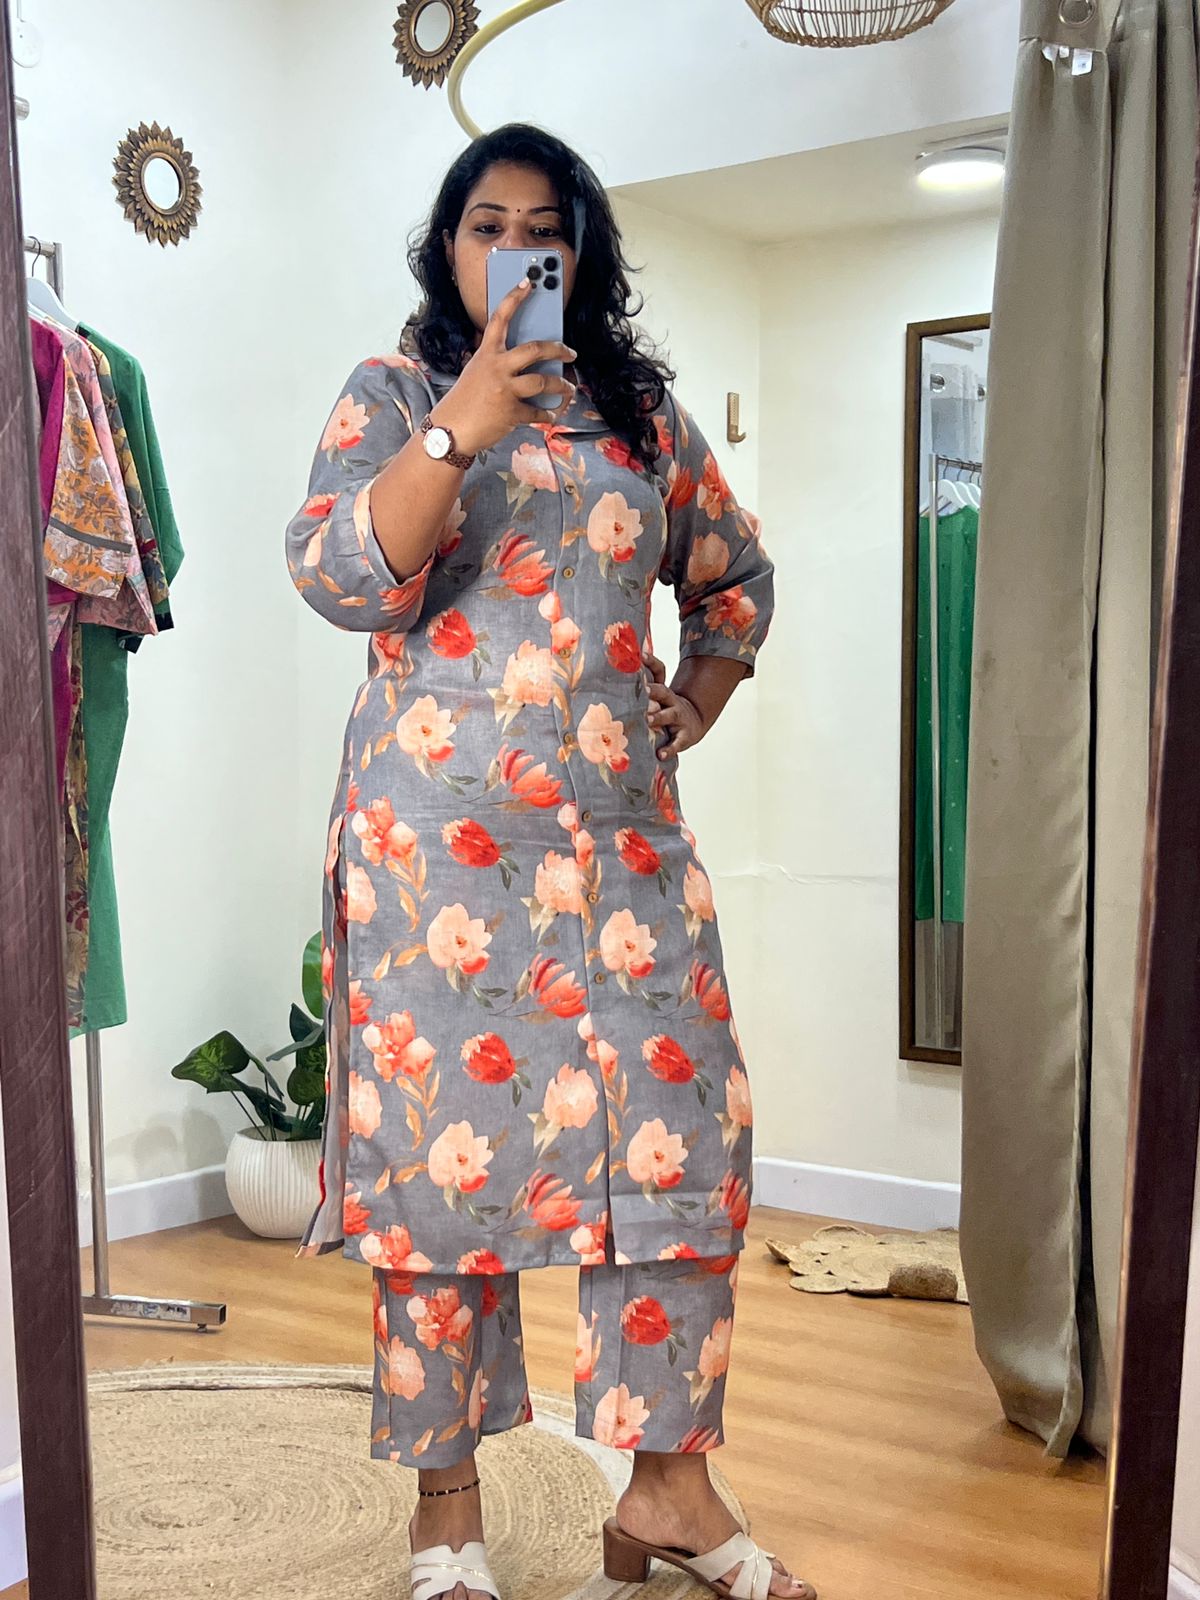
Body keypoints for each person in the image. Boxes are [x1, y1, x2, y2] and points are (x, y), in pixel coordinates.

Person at [285, 123, 812, 1600]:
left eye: (546, 228)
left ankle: (667, 1497)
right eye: (488, 225)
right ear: (447, 250)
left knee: (678, 1147)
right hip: (433, 864)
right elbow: (340, 576)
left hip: (624, 855)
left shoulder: (640, 415)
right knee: (440, 1179)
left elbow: (734, 578)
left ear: (582, 254)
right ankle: (448, 1511)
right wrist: (464, 417)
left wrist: (694, 700)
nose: (517, 248)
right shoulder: (395, 393)